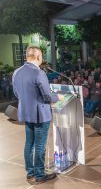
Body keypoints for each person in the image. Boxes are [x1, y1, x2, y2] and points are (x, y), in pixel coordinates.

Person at [12, 46, 64, 183]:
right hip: (41, 114)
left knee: (29, 143)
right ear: (38, 57)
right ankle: (40, 175)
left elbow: (17, 94)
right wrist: (58, 97)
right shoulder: (39, 73)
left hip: (26, 113)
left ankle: (30, 172)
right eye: (41, 56)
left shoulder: (16, 72)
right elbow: (47, 96)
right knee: (40, 145)